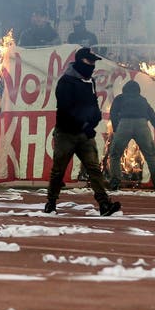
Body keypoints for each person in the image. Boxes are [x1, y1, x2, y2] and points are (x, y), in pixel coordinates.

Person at [44, 47, 121, 215]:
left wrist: (95, 118)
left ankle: (104, 204)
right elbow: (66, 109)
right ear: (79, 61)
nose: (92, 64)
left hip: (85, 134)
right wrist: (84, 125)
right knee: (58, 170)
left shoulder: (90, 81)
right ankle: (50, 202)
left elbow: (92, 103)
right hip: (66, 133)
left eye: (94, 61)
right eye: (89, 61)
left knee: (94, 168)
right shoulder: (66, 81)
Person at [108, 80, 155, 192]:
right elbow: (153, 117)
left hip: (124, 124)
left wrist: (116, 128)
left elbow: (113, 113)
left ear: (124, 89)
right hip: (142, 125)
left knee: (115, 155)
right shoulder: (142, 100)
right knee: (151, 156)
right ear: (138, 90)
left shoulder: (120, 98)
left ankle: (115, 184)